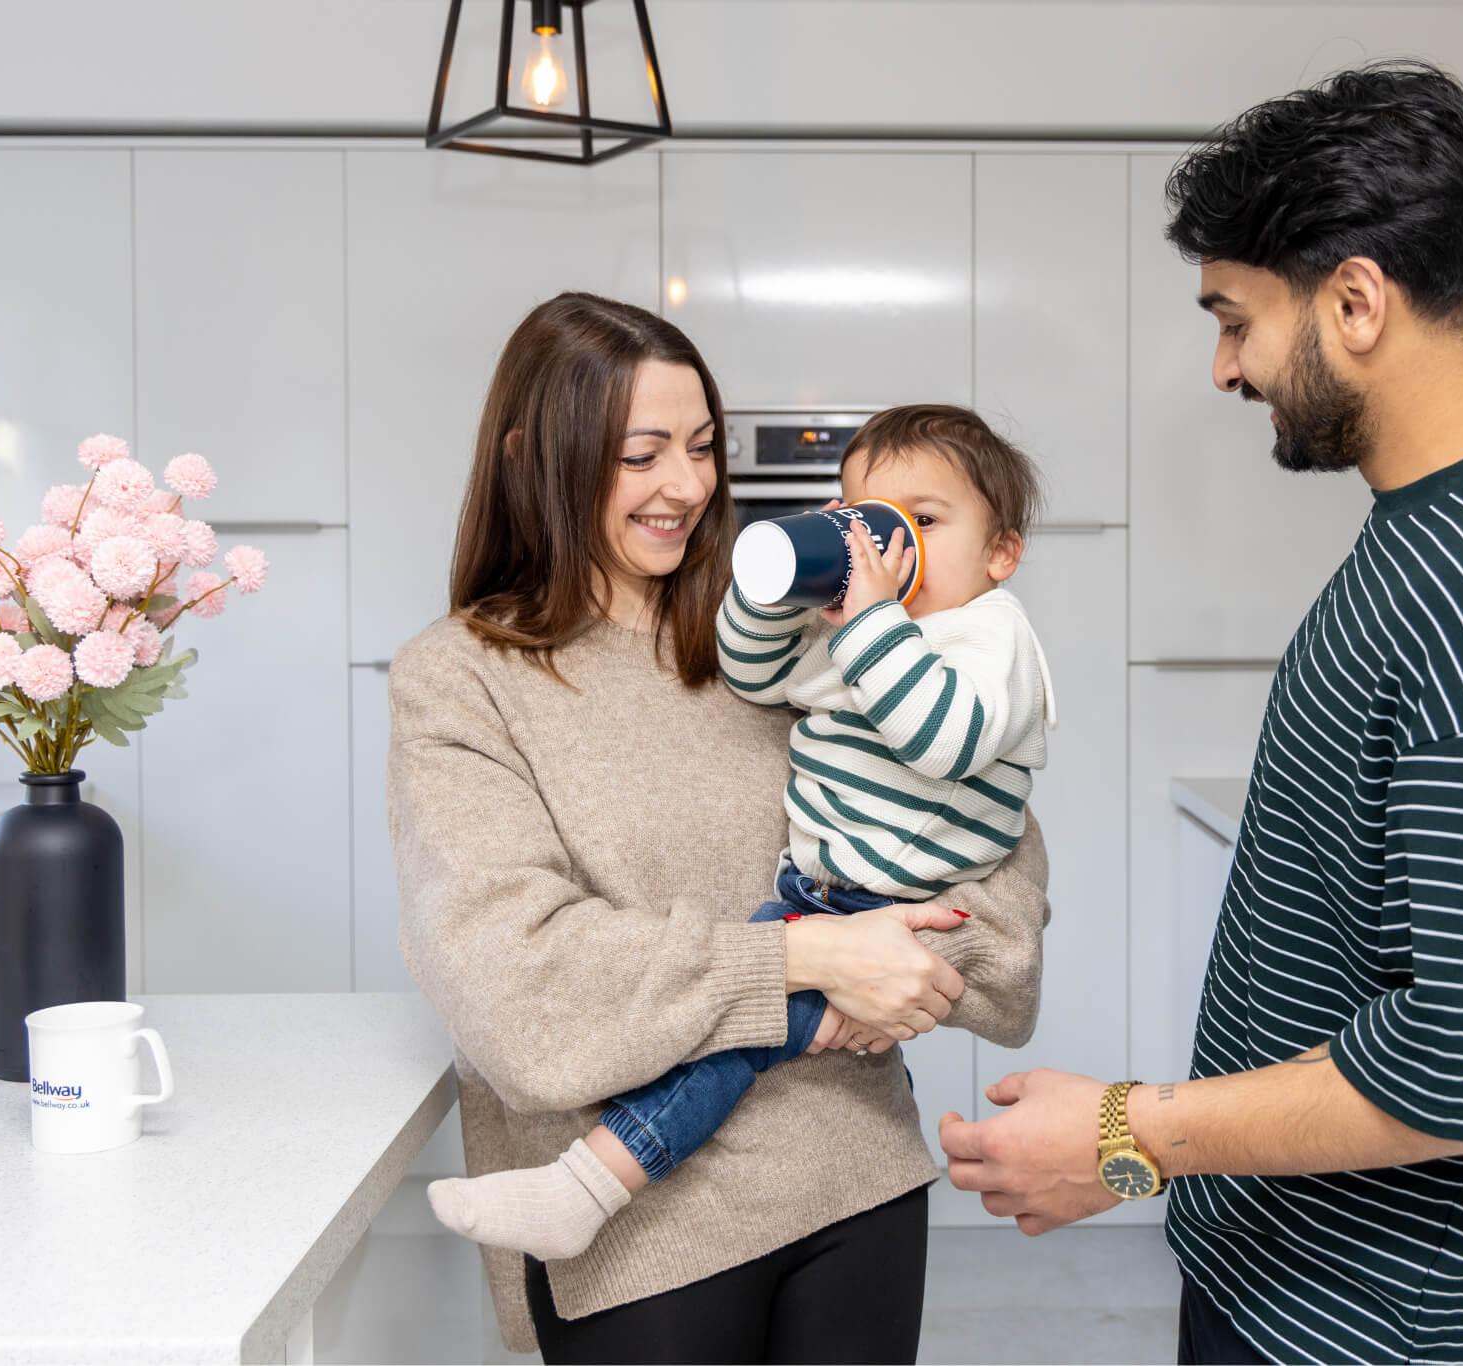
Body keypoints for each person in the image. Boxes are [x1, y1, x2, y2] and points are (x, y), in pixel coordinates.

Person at [940, 62, 1463, 1365]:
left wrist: (1126, 1134)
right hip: (1328, 1290)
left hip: (1382, 1327)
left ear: (1355, 300)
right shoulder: (1454, 526)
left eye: (1236, 320)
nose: (1225, 368)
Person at [387, 293, 1052, 1364]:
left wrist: (907, 965)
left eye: (701, 448)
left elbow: (986, 864)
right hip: (636, 1235)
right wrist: (810, 959)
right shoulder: (462, 680)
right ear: (529, 457)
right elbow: (515, 983)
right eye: (639, 454)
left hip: (858, 1174)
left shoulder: (801, 642)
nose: (688, 486)